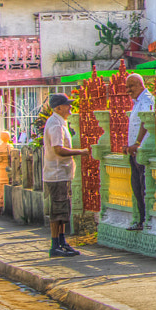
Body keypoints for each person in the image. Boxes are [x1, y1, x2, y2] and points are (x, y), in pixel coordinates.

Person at [41, 93, 88, 257]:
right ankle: (55, 245)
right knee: (57, 211)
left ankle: (62, 241)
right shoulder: (55, 124)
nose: (70, 108)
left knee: (63, 211)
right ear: (58, 107)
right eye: (67, 105)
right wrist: (81, 152)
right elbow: (58, 149)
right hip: (56, 173)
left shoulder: (61, 122)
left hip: (62, 173)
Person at [126, 73, 154, 231]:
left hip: (143, 151)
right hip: (135, 152)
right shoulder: (136, 102)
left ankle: (146, 221)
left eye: (132, 86)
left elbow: (146, 121)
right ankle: (141, 220)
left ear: (140, 84)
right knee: (137, 188)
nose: (129, 90)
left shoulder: (147, 99)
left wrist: (137, 143)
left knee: (144, 188)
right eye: (127, 87)